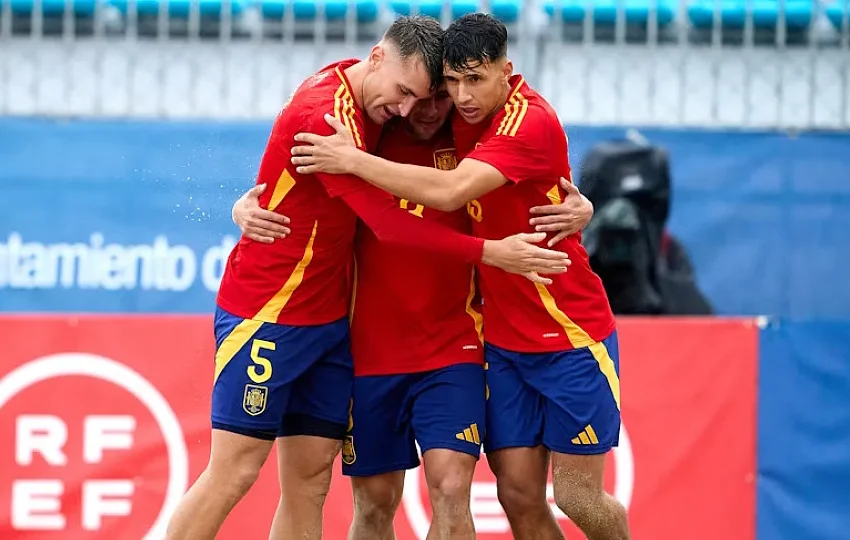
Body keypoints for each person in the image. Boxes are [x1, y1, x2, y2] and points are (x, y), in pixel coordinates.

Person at [165, 15, 574, 540]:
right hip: (271, 313)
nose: (412, 109)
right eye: (406, 93)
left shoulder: (385, 115)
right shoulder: (332, 120)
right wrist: (489, 252)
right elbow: (386, 223)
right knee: (236, 472)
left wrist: (581, 207)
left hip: (334, 327)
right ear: (377, 56)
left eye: (430, 95)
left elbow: (531, 166)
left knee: (310, 483)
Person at [288, 13, 631, 540]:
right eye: (449, 82)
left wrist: (351, 161)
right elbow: (301, 170)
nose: (454, 98)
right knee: (512, 496)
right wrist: (249, 204)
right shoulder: (405, 120)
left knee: (572, 496)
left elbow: (457, 190)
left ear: (505, 70)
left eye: (472, 80)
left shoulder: (515, 122)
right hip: (488, 346)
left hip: (561, 336)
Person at [233, 83, 594, 539]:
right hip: (368, 354)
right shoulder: (369, 137)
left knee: (451, 486)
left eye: (441, 97)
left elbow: (533, 180)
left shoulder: (470, 142)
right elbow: (294, 187)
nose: (428, 109)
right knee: (374, 502)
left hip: (453, 349)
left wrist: (583, 206)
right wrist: (243, 206)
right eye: (418, 97)